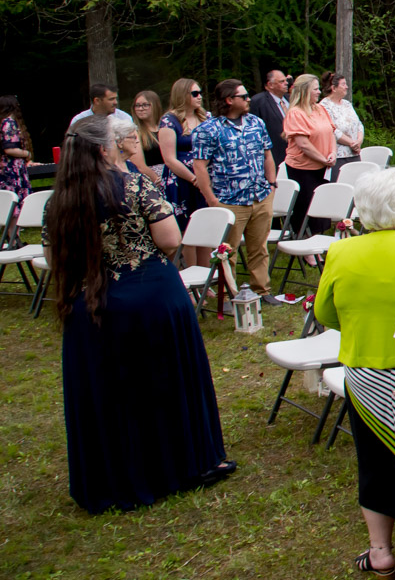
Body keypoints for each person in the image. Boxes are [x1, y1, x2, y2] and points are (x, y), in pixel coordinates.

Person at [44, 115, 234, 515]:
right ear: (102, 149)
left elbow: (52, 258)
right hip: (149, 299)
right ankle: (184, 465)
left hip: (91, 306)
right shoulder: (132, 185)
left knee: (110, 391)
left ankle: (117, 477)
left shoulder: (56, 201)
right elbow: (170, 239)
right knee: (166, 382)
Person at [313, 169, 395, 580]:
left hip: (365, 370)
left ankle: (380, 551)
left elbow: (323, 313)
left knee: (373, 458)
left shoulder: (342, 252)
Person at [193, 79, 277, 303]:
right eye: (244, 96)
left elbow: (267, 154)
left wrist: (272, 184)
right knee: (227, 251)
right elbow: (200, 166)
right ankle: (231, 295)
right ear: (229, 100)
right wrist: (211, 199)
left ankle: (262, 290)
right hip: (229, 200)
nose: (249, 99)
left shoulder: (256, 123)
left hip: (260, 196)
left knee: (259, 247)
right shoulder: (208, 129)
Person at [158, 78, 210, 266]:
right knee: (189, 229)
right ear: (182, 95)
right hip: (183, 180)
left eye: (200, 92)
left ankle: (205, 275)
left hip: (206, 179)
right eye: (195, 93)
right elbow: (169, 159)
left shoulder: (206, 117)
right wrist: (194, 178)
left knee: (206, 227)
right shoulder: (169, 121)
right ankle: (190, 275)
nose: (200, 97)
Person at [281, 73, 337, 237]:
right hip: (303, 168)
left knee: (321, 205)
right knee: (305, 205)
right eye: (316, 89)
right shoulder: (296, 113)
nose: (319, 92)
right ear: (305, 91)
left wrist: (332, 153)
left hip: (324, 166)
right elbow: (303, 144)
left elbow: (331, 132)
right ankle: (303, 239)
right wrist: (322, 159)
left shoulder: (320, 108)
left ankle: (318, 238)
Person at [318, 71, 365, 174]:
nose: (346, 87)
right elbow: (331, 130)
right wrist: (351, 143)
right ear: (333, 88)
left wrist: (359, 141)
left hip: (354, 153)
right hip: (339, 156)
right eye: (343, 84)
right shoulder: (323, 106)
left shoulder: (347, 104)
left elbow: (358, 124)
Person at [249, 69, 290, 167]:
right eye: (281, 81)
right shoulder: (258, 101)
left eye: (286, 80)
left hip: (294, 153)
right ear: (270, 85)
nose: (286, 83)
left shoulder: (290, 99)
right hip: (275, 154)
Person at [107, 114, 161, 186]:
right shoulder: (112, 170)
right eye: (133, 137)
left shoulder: (130, 165)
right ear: (119, 142)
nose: (137, 141)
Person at [0, 94, 34, 204]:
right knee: (15, 202)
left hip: (6, 168)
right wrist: (27, 154)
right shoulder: (8, 122)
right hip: (11, 170)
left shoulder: (2, 122)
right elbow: (9, 149)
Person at [131, 91, 166, 182]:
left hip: (172, 175)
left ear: (155, 105)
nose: (141, 109)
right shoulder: (134, 132)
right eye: (137, 105)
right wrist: (157, 180)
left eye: (145, 105)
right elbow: (140, 165)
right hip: (152, 179)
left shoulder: (166, 126)